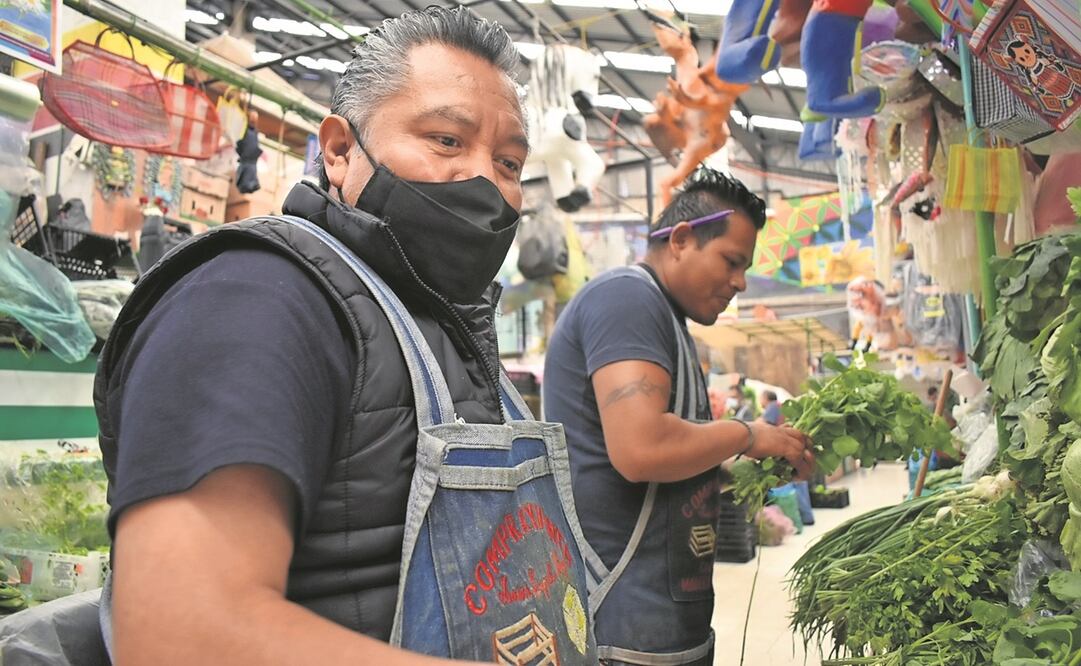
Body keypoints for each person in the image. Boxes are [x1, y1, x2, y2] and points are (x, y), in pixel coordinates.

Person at [92, 8, 596, 665]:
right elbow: (184, 636)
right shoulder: (258, 297)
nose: (484, 183)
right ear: (338, 150)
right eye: (446, 140)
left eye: (506, 162)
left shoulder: (442, 320)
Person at [543, 167, 815, 665]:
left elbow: (674, 467)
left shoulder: (667, 319)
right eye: (731, 261)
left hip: (663, 626)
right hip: (617, 629)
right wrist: (747, 434)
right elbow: (643, 450)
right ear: (683, 239)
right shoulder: (626, 298)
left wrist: (758, 466)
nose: (741, 283)